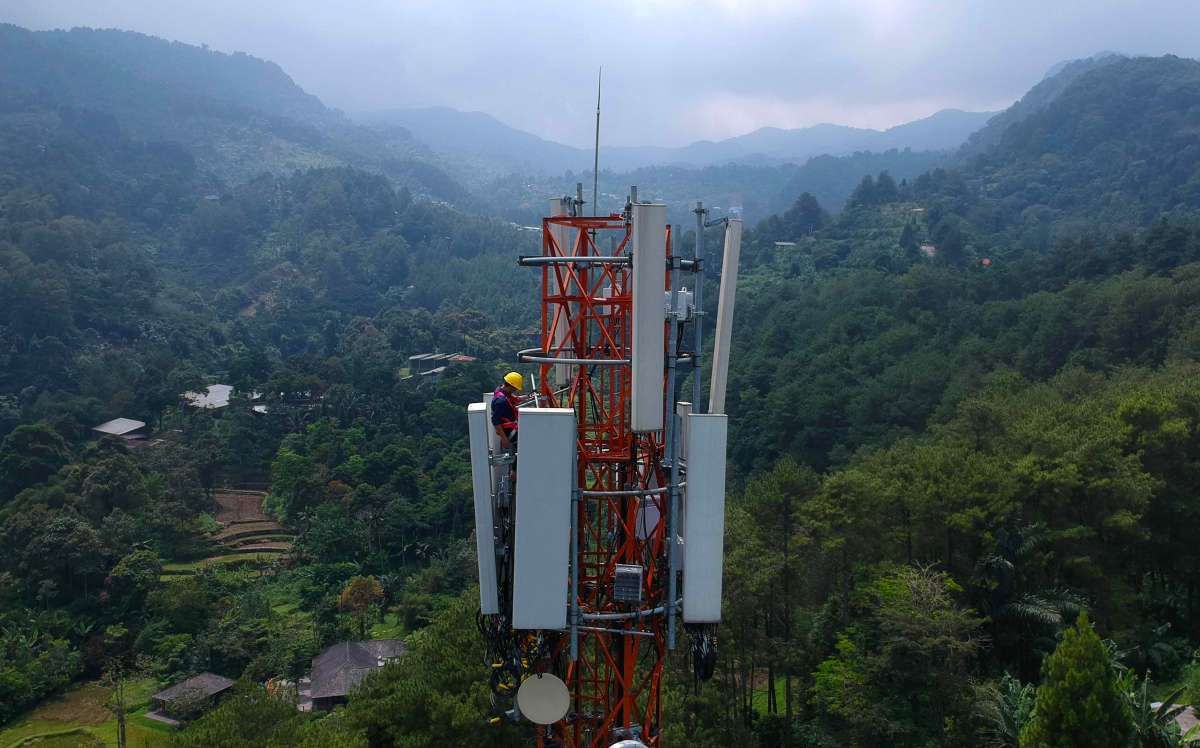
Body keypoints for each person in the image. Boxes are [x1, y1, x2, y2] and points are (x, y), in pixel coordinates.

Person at [491, 371, 523, 452]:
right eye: (515, 388)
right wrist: (504, 439)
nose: (515, 390)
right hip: (510, 432)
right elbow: (495, 421)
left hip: (513, 426)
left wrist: (529, 397)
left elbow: (514, 398)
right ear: (511, 386)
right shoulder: (501, 401)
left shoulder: (501, 389)